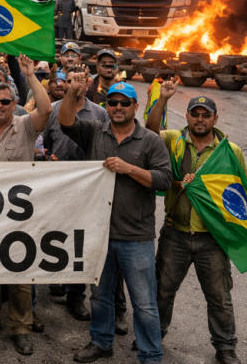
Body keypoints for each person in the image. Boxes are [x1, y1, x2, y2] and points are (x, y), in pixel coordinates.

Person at [59, 79, 172, 364]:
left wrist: (129, 168)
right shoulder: (95, 132)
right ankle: (101, 341)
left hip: (137, 236)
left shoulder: (150, 140)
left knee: (144, 303)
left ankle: (150, 354)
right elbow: (65, 122)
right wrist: (72, 93)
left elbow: (164, 180)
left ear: (136, 106)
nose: (118, 107)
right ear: (105, 106)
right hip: (99, 234)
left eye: (124, 103)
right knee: (100, 296)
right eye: (112, 102)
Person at [146, 82, 243, 364]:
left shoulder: (230, 151)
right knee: (162, 292)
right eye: (195, 113)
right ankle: (154, 337)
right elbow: (150, 132)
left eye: (205, 114)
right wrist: (162, 99)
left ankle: (225, 347)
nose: (200, 119)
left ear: (215, 118)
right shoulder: (174, 140)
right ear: (186, 117)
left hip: (212, 237)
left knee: (219, 297)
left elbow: (241, 192)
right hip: (175, 233)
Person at [0, 54, 52, 356]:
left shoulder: (27, 126)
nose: (1, 106)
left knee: (19, 275)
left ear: (13, 103)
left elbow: (45, 108)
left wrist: (30, 75)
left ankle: (21, 326)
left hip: (20, 217)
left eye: (6, 101)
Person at [41, 66, 128, 329]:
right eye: (69, 81)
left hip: (92, 189)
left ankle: (98, 302)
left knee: (92, 244)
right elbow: (43, 143)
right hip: (59, 187)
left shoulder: (100, 112)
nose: (74, 85)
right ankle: (66, 286)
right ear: (63, 84)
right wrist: (46, 158)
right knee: (62, 240)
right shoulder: (54, 110)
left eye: (79, 81)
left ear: (87, 84)